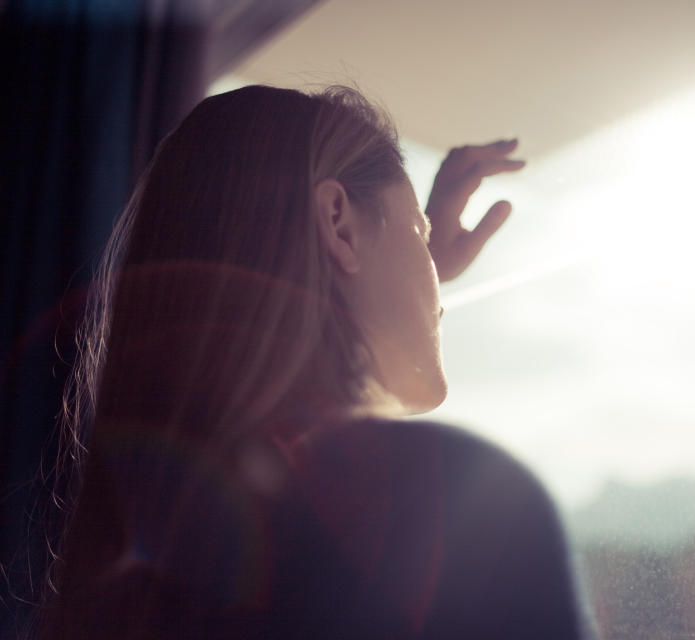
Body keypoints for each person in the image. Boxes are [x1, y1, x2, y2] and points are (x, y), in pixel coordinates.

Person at [36, 85, 590, 639]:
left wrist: (401, 265)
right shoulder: (458, 502)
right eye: (420, 235)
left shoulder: (133, 544)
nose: (437, 283)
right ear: (338, 222)